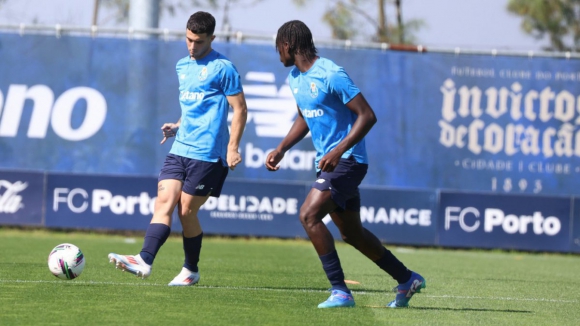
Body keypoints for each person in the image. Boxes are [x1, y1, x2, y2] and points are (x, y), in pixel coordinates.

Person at [265, 20, 425, 308]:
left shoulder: (331, 73)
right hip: (328, 164)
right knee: (352, 234)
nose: (278, 55)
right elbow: (305, 115)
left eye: (278, 48)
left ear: (287, 45)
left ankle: (340, 291)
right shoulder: (294, 78)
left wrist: (338, 151)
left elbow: (367, 115)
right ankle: (406, 278)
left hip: (348, 161)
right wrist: (282, 148)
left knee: (308, 216)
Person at [108, 11, 247, 286]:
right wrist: (177, 126)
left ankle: (190, 270)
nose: (192, 46)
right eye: (188, 39)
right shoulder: (182, 66)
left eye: (198, 41)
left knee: (186, 211)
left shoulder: (223, 68)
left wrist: (233, 148)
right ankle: (144, 260)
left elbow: (240, 109)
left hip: (207, 154)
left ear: (212, 38)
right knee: (163, 202)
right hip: (180, 149)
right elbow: (192, 109)